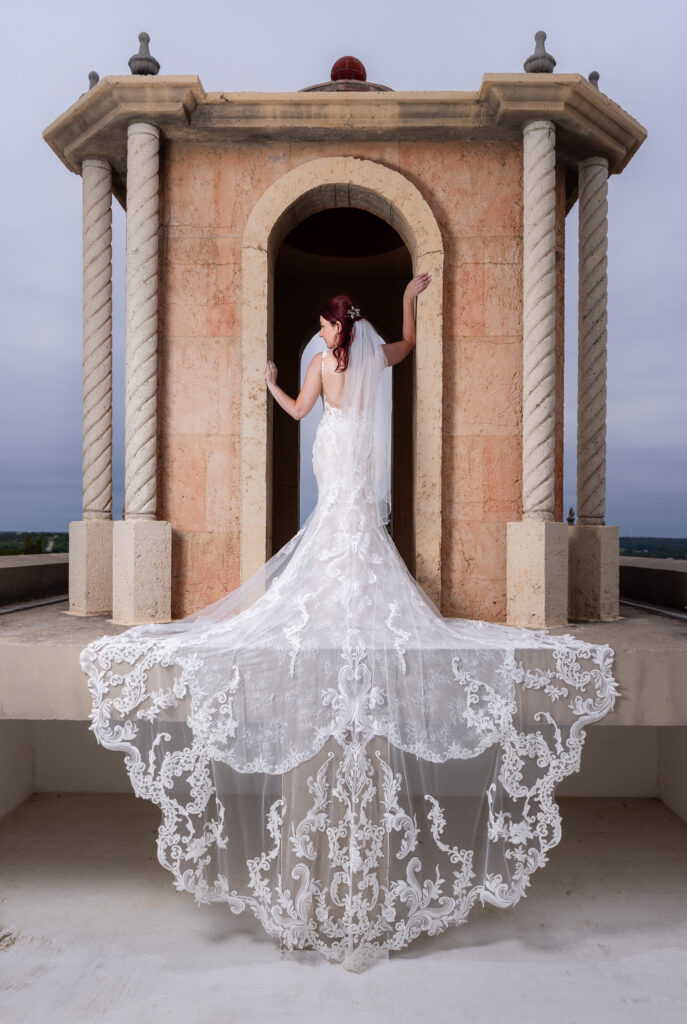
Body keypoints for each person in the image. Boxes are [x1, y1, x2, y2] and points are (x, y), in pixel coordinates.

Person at [81, 275, 618, 973]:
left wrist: (271, 382)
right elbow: (411, 343)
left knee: (335, 529)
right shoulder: (373, 356)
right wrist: (408, 298)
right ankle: (352, 604)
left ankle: (336, 606)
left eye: (325, 325)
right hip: (356, 457)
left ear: (335, 327)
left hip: (337, 451)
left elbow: (299, 414)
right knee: (351, 527)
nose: (324, 332)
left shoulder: (321, 367)